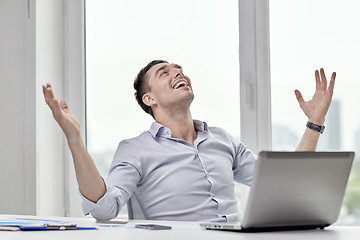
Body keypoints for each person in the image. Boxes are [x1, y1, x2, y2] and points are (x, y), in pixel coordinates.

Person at [42, 60, 336, 222]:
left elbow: (284, 185)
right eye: (164, 72)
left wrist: (315, 123)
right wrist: (74, 139)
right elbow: (104, 209)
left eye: (178, 69)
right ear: (150, 99)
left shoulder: (222, 140)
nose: (178, 72)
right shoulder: (136, 149)